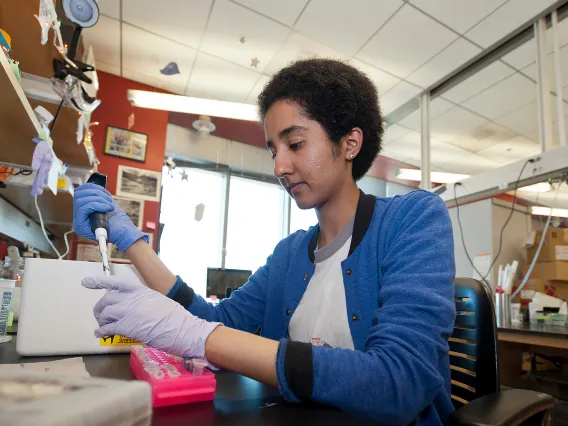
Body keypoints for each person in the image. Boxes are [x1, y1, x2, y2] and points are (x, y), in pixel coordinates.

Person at [73, 58, 456, 425]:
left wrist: (199, 337)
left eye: (296, 144)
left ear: (350, 143)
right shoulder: (290, 254)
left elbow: (399, 383)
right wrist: (132, 241)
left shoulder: (413, 219)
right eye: (274, 150)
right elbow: (214, 323)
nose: (279, 167)